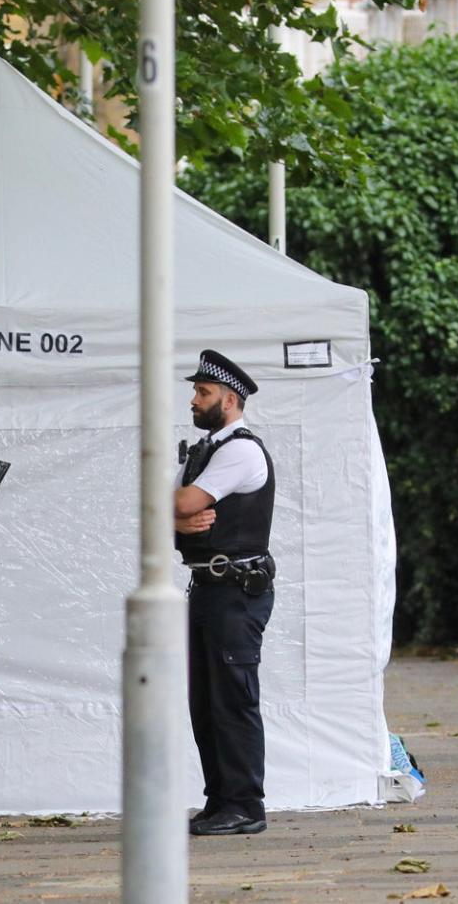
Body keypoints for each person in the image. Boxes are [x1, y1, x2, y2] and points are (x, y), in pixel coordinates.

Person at [174, 349, 276, 837]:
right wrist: (173, 515)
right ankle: (220, 799)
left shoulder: (239, 449)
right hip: (209, 588)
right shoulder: (202, 450)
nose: (193, 400)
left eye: (202, 393)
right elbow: (164, 508)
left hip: (236, 589)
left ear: (229, 399)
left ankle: (245, 805)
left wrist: (174, 511)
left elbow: (186, 501)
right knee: (206, 700)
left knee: (233, 698)